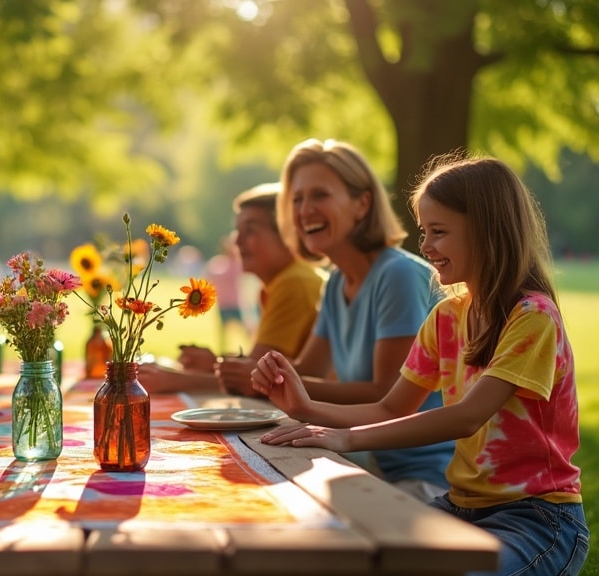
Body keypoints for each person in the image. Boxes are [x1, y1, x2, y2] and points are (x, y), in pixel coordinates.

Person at [253, 154, 588, 576]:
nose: (426, 246)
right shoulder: (447, 318)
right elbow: (391, 408)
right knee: (364, 556)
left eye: (440, 232)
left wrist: (346, 439)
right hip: (459, 505)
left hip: (536, 518)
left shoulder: (532, 317)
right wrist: (305, 409)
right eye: (424, 231)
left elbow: (467, 417)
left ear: (487, 231)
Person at [270, 138, 453, 502]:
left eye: (319, 195)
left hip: (425, 479)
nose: (305, 210)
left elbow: (383, 392)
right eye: (297, 199)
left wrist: (286, 390)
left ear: (362, 203)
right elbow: (310, 369)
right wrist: (249, 372)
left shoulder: (397, 274)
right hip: (367, 461)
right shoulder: (337, 280)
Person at [138, 183, 325, 396]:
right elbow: (256, 369)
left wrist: (172, 380)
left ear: (287, 235)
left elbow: (256, 382)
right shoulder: (281, 283)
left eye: (250, 230)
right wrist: (215, 364)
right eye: (237, 230)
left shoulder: (295, 283)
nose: (236, 240)